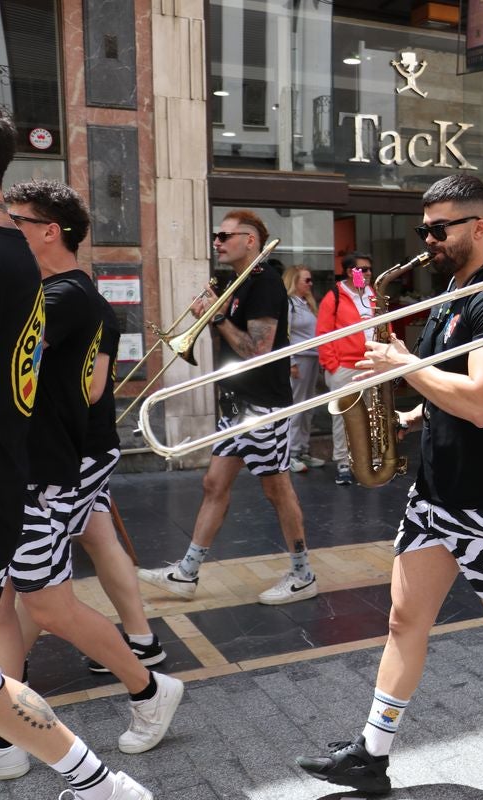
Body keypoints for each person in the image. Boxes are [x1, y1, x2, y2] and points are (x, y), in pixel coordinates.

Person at [296, 176, 483, 794]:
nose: (427, 241)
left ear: (478, 226)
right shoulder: (450, 289)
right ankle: (372, 751)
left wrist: (402, 366)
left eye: (439, 229)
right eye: (424, 230)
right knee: (401, 622)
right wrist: (418, 411)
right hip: (435, 495)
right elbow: (452, 389)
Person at [0, 92, 154, 799]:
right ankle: (97, 758)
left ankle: (144, 686)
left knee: (42, 608)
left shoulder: (26, 279)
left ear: (52, 230)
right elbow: (97, 384)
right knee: (12, 632)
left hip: (31, 475)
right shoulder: (28, 274)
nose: (15, 223)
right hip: (27, 475)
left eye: (26, 218)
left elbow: (89, 387)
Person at [5, 181, 166, 677]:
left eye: (16, 224)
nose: (6, 233)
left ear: (50, 231)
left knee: (37, 584)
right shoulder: (76, 293)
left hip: (73, 454)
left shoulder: (67, 296)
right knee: (85, 548)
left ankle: (12, 670)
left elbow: (92, 389)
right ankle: (140, 644)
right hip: (78, 451)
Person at [138, 210, 317, 605]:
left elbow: (257, 350)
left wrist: (216, 316)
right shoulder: (232, 282)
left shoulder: (265, 283)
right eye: (216, 235)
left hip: (262, 406)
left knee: (277, 488)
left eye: (225, 235)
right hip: (235, 403)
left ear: (250, 241)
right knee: (214, 484)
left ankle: (303, 574)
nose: (217, 241)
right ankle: (186, 574)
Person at [316, 251, 377, 486]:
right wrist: (332, 365)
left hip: (373, 364)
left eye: (370, 269)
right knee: (342, 417)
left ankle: (369, 462)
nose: (369, 273)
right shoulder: (335, 296)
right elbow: (323, 334)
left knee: (372, 415)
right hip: (344, 367)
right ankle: (343, 462)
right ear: (351, 271)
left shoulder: (374, 294)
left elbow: (385, 325)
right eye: (364, 269)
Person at [283, 264, 325, 474]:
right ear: (294, 282)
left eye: (311, 280)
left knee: (307, 408)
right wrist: (290, 361)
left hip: (311, 359)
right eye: (306, 280)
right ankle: (290, 453)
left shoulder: (306, 304)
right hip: (299, 360)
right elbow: (285, 334)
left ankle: (302, 450)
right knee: (296, 409)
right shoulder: (289, 304)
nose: (310, 284)